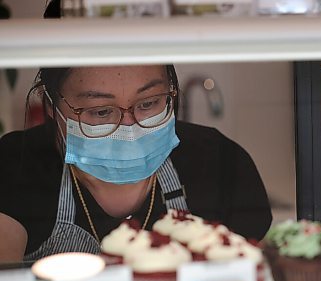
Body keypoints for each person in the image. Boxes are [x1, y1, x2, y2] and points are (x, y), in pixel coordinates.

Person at [0, 11, 272, 263]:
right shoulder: (15, 165)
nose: (129, 128)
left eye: (148, 103)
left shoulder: (219, 161)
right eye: (101, 111)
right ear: (51, 107)